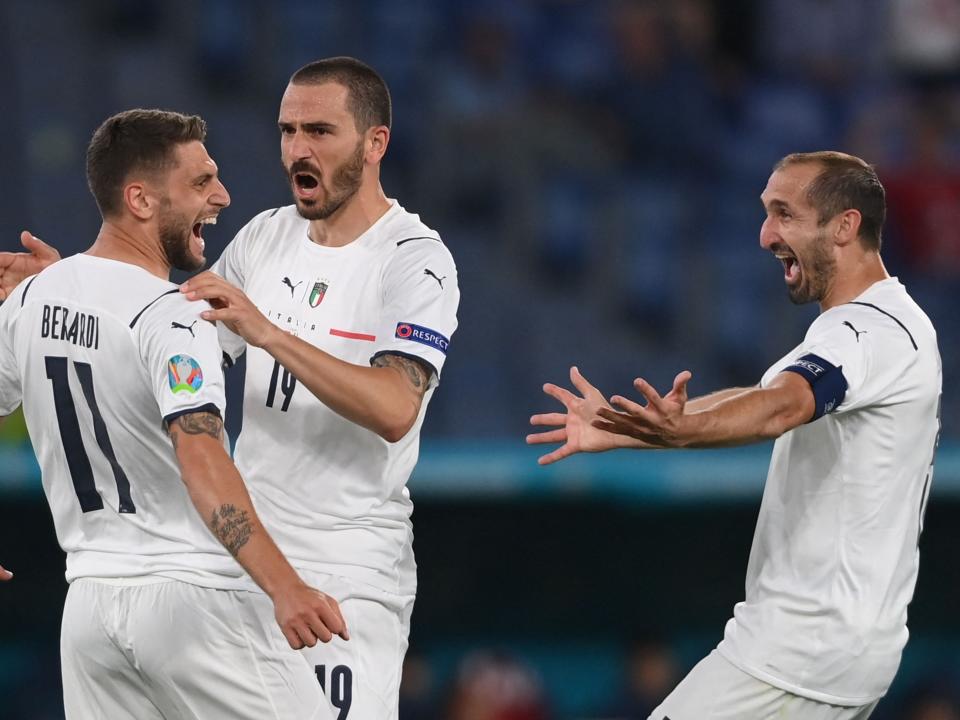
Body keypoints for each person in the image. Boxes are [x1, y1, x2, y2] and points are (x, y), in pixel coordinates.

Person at [1, 57, 460, 720]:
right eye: (287, 130)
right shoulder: (266, 237)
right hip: (242, 565)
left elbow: (394, 408)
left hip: (346, 577)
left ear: (374, 143)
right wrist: (83, 286)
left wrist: (270, 333)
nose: (296, 150)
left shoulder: (414, 259)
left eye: (320, 132)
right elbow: (165, 336)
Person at [527, 151, 941, 719]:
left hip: (801, 648)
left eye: (784, 214)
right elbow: (762, 394)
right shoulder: (873, 325)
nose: (766, 234)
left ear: (845, 226)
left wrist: (682, 428)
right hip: (837, 647)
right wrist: (631, 430)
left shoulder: (870, 330)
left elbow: (780, 407)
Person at [0, 109, 347, 720]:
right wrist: (284, 586)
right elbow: (201, 456)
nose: (222, 196)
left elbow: (96, 320)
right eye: (200, 182)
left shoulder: (30, 297)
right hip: (192, 604)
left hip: (88, 613)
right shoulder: (175, 315)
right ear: (139, 199)